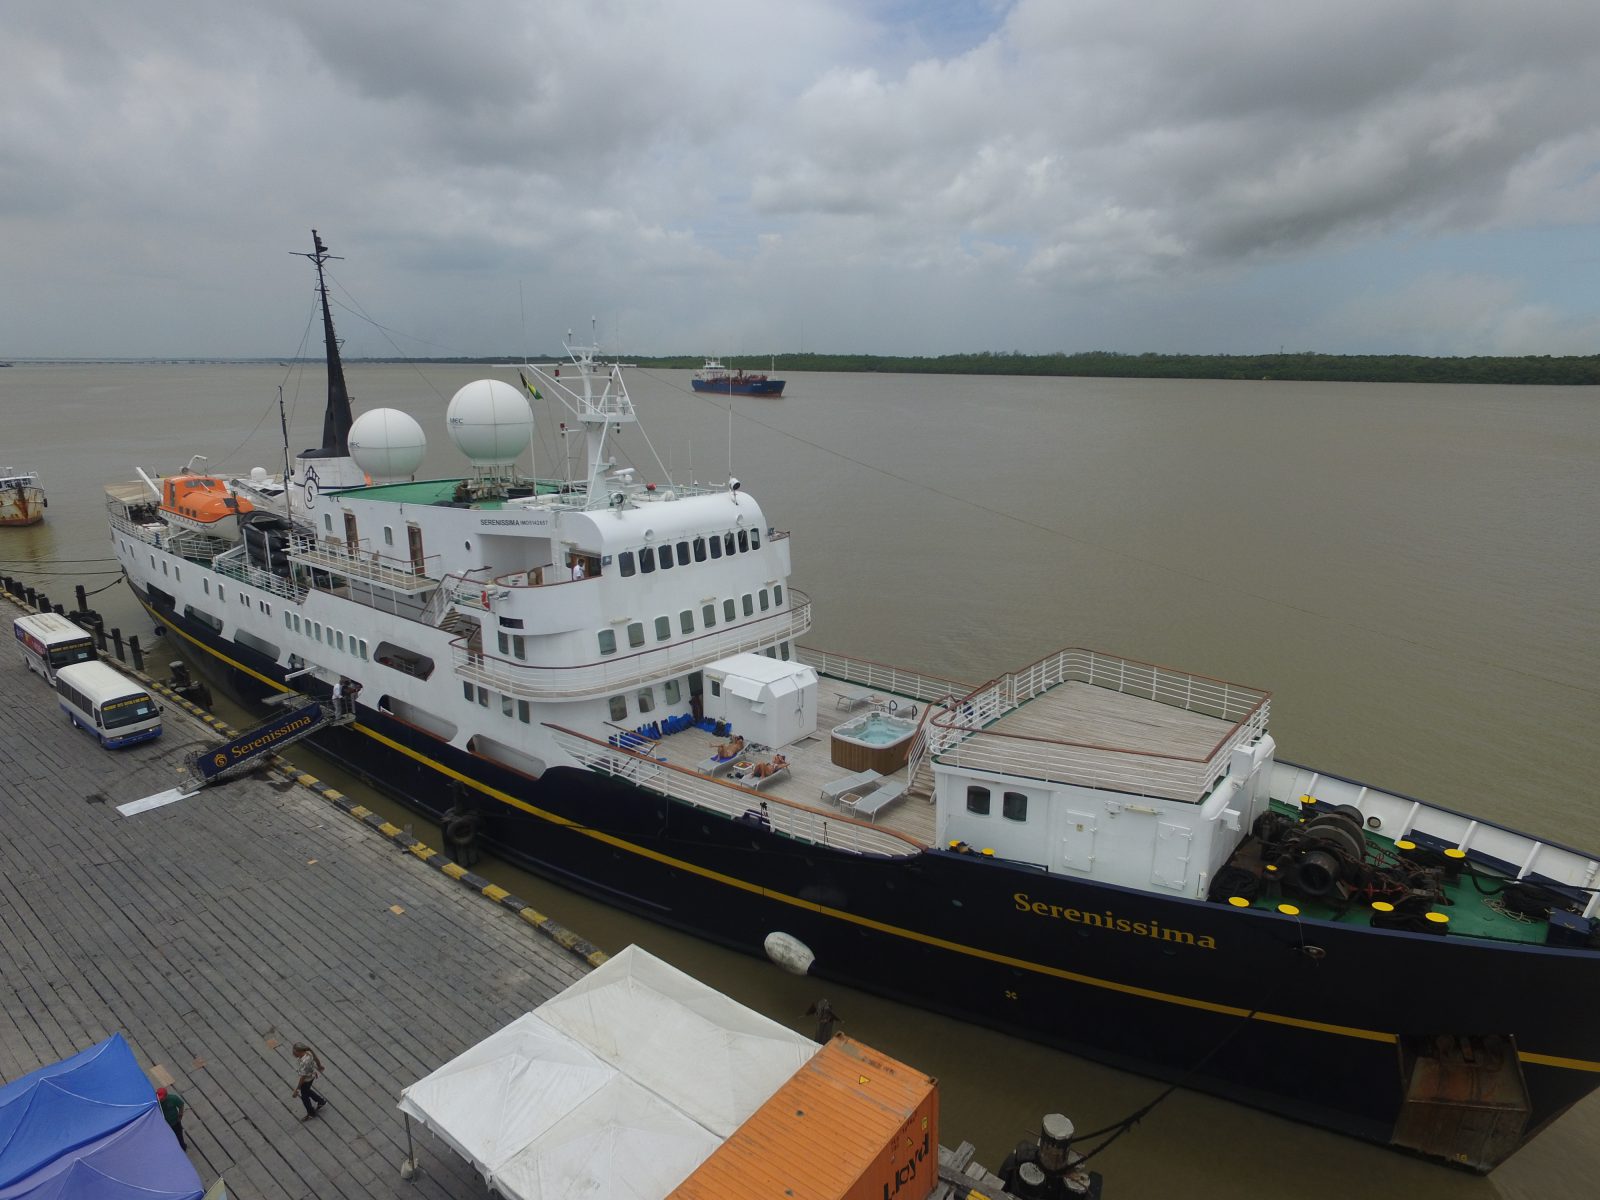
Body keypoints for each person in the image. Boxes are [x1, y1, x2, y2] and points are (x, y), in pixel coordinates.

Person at [290, 1042, 328, 1121]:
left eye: (294, 1051)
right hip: (312, 1076)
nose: (293, 1053)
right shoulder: (308, 1053)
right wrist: (319, 1065)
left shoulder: (304, 1062)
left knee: (305, 1097)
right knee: (307, 1091)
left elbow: (302, 1077)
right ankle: (320, 1101)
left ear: (299, 1051)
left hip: (307, 1079)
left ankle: (311, 1113)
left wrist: (297, 1090)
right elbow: (316, 1058)